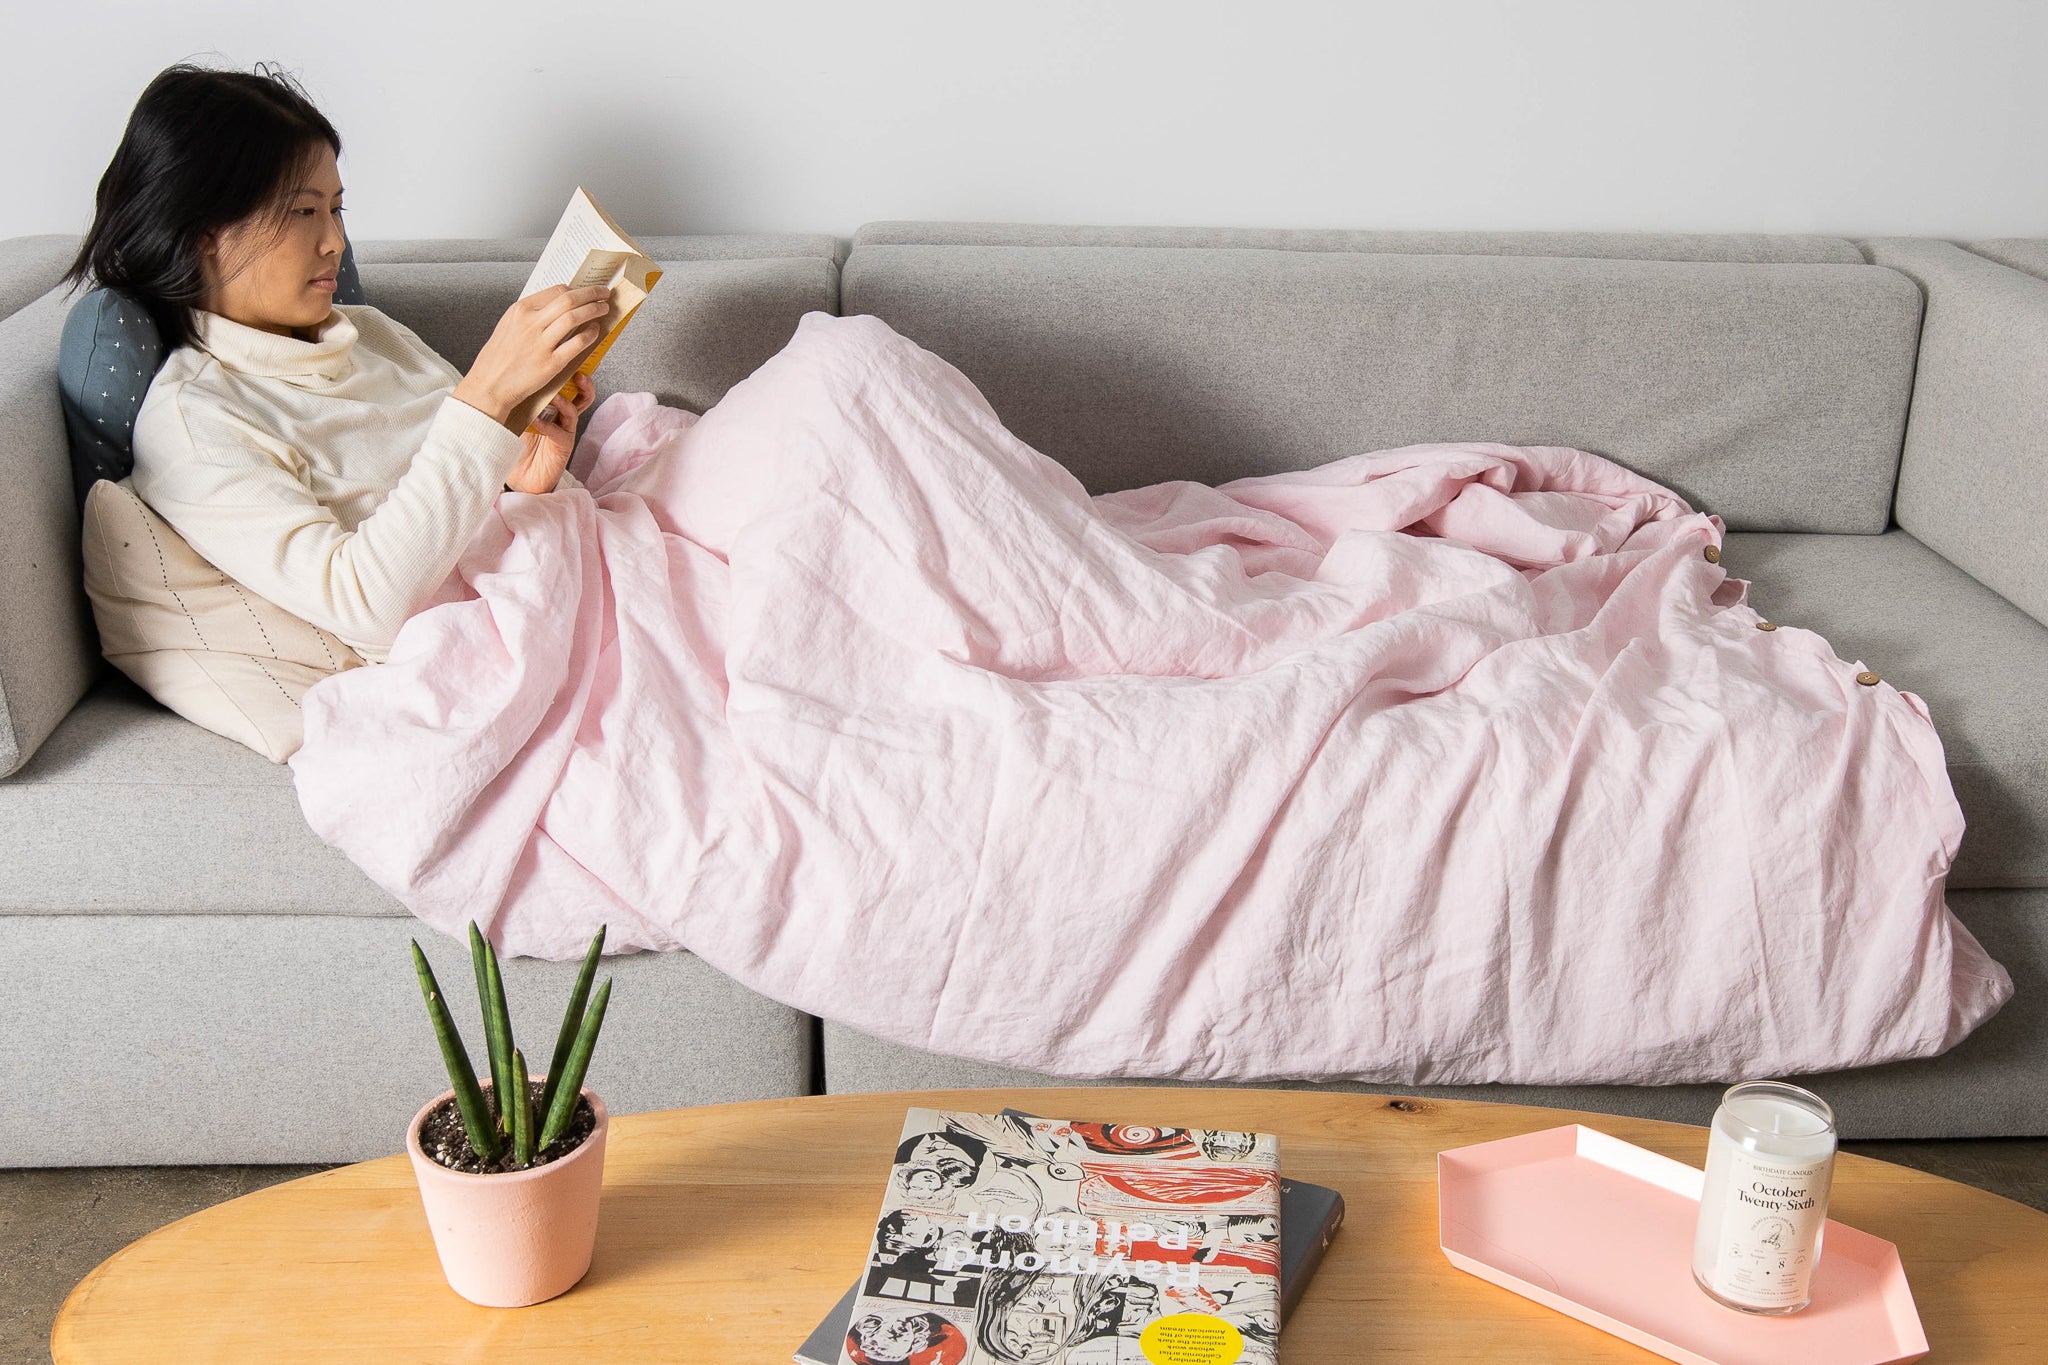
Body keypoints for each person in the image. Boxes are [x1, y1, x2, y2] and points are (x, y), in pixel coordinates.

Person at [58, 61, 615, 665]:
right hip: (494, 640)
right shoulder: (196, 424)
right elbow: (368, 608)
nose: (335, 243)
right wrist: (483, 398)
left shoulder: (371, 332)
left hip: (569, 571)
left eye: (338, 210)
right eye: (304, 212)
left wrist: (528, 479)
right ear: (203, 230)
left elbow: (471, 489)